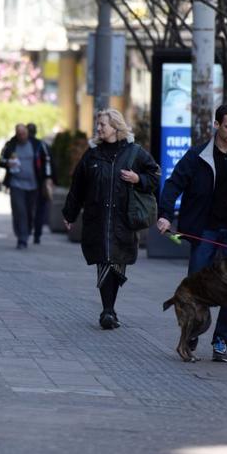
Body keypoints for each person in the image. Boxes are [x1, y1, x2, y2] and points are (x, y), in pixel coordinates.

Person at [157, 104, 227, 360]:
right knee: (196, 283)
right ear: (217, 125)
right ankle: (193, 332)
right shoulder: (197, 156)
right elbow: (174, 183)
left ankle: (221, 341)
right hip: (205, 229)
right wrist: (164, 215)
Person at [62, 110, 160, 329]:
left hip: (123, 220)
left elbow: (154, 176)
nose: (98, 128)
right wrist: (69, 213)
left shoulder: (134, 153)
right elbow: (78, 185)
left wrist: (138, 178)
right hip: (98, 219)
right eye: (98, 125)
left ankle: (110, 309)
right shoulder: (92, 154)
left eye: (102, 125)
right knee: (104, 260)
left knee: (117, 262)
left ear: (116, 127)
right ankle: (107, 310)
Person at [0, 123, 53, 249]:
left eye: (24, 133)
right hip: (16, 184)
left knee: (30, 212)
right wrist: (8, 163)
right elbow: (0, 160)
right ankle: (22, 238)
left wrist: (47, 178)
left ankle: (26, 231)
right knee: (19, 211)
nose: (22, 136)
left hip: (34, 185)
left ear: (27, 133)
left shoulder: (37, 145)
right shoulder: (10, 145)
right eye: (19, 134)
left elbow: (47, 161)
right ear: (16, 134)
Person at [28, 123, 54, 245]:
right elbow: (48, 162)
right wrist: (48, 177)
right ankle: (37, 235)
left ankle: (28, 231)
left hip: (31, 181)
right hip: (40, 181)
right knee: (40, 209)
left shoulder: (27, 144)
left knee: (28, 207)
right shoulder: (41, 145)